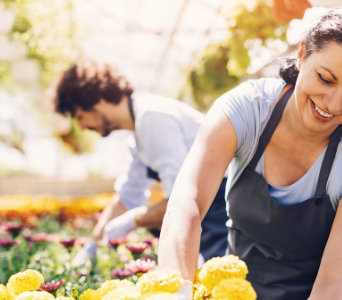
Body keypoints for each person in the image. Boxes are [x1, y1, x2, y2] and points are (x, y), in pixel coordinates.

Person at [158, 5, 342, 300]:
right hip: (245, 288)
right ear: (303, 53)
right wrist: (175, 291)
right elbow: (186, 206)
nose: (333, 103)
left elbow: (333, 284)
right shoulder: (246, 110)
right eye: (325, 78)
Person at [53, 61, 229, 266]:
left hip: (223, 205)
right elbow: (127, 197)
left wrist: (134, 220)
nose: (82, 127)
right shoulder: (137, 135)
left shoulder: (152, 117)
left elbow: (181, 201)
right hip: (207, 208)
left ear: (97, 101)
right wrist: (92, 244)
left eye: (80, 117)